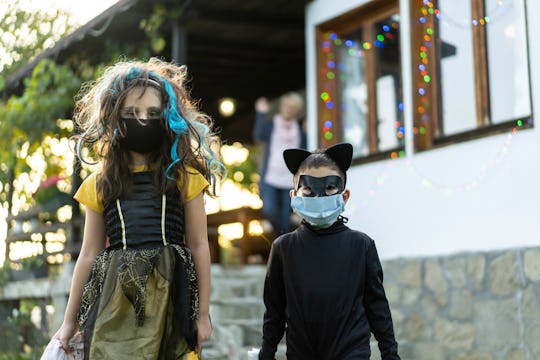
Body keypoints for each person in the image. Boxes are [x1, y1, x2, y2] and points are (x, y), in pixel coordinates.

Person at [52, 58, 225, 359]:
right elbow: (89, 253)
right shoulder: (100, 183)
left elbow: (198, 244)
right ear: (114, 118)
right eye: (131, 113)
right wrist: (69, 322)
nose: (143, 120)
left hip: (173, 294)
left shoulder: (184, 176)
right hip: (115, 300)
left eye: (153, 113)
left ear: (169, 118)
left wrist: (203, 314)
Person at [259, 143, 400, 360]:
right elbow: (274, 312)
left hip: (351, 353)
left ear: (344, 196)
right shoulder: (283, 249)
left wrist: (391, 355)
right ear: (294, 195)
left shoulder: (361, 246)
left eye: (329, 188)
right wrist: (265, 355)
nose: (318, 197)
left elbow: (377, 307)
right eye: (308, 189)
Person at [253, 92, 306, 235]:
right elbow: (258, 135)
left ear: (297, 110)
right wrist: (261, 113)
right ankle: (280, 239)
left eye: (292, 107)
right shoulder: (272, 125)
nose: (288, 109)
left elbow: (304, 153)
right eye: (286, 105)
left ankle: (281, 247)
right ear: (281, 107)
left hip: (289, 180)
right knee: (269, 209)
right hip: (270, 177)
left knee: (284, 218)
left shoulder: (300, 130)